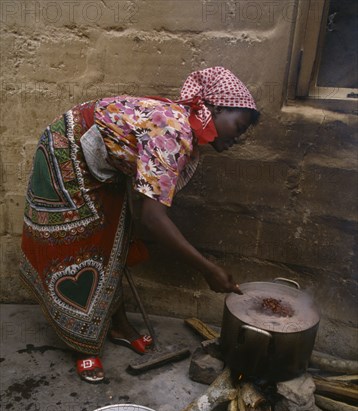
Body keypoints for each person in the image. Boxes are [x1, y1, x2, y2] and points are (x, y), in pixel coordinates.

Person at [20, 66, 259, 383]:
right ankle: (81, 343)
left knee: (114, 240)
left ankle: (117, 323)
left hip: (103, 161)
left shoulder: (181, 128)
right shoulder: (174, 134)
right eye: (238, 126)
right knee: (78, 248)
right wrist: (207, 268)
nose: (237, 138)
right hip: (66, 150)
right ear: (215, 107)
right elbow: (152, 218)